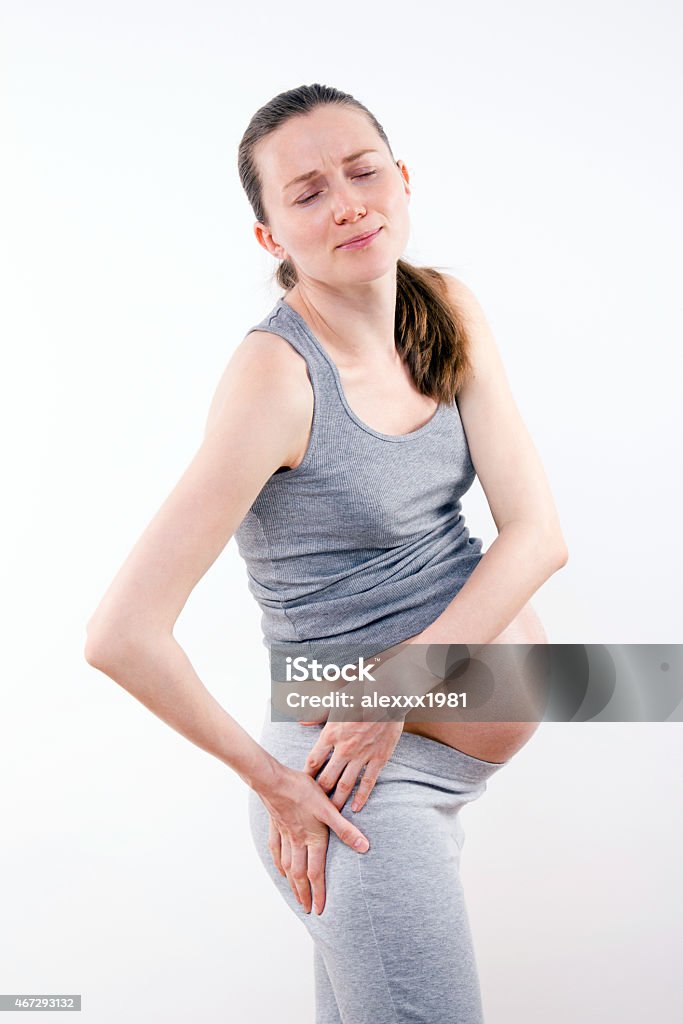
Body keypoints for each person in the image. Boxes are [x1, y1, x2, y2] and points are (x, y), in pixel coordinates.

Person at [85, 82, 568, 1023]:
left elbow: (537, 535)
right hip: (350, 799)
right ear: (270, 238)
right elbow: (121, 635)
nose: (347, 201)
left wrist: (395, 690)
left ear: (402, 180)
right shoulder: (276, 378)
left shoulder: (446, 309)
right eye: (306, 193)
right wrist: (276, 786)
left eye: (362, 170)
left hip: (414, 756)